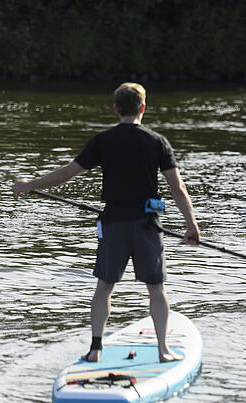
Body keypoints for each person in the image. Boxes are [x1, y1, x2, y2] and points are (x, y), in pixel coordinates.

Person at [13, 82, 200, 363]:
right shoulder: (157, 142)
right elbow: (178, 188)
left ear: (116, 109)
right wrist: (191, 225)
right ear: (143, 108)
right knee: (156, 288)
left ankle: (95, 349)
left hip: (113, 223)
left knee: (104, 286)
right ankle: (163, 351)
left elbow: (67, 173)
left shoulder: (103, 140)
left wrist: (30, 184)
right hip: (147, 225)